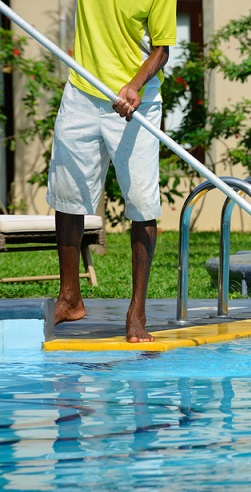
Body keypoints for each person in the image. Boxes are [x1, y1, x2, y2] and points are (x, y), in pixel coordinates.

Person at [47, 0, 177, 342]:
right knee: (68, 194)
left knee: (142, 203)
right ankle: (70, 298)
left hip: (139, 99)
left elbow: (161, 51)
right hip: (82, 93)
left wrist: (134, 85)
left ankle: (137, 312)